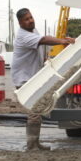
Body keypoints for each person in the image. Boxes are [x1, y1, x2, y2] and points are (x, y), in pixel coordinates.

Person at [12, 8, 75, 151]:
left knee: (37, 110)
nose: (30, 21)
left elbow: (42, 44)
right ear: (20, 23)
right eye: (26, 19)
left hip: (32, 77)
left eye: (31, 17)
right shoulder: (23, 36)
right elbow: (44, 40)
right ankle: (32, 145)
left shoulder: (32, 31)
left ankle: (35, 143)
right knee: (34, 111)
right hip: (24, 79)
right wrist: (63, 41)